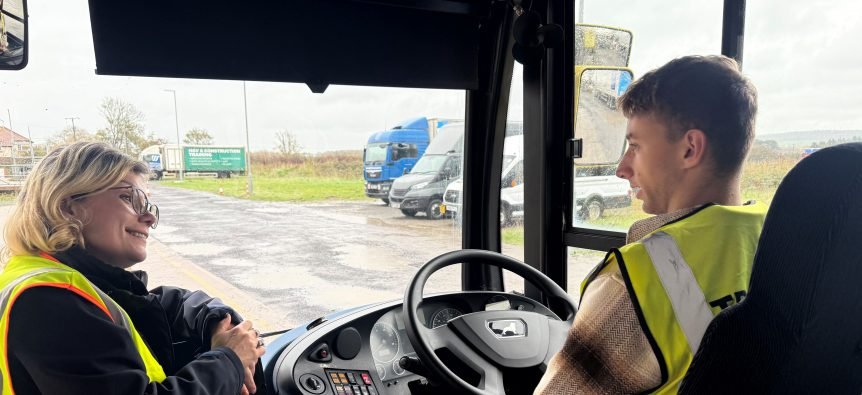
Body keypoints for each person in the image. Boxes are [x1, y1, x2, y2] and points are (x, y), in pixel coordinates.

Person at [535, 55, 766, 394]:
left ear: (690, 149)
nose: (622, 168)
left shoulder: (635, 280)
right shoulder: (778, 239)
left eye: (635, 146)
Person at [0, 142, 265, 394]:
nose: (149, 217)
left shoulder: (70, 282)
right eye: (129, 198)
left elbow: (158, 305)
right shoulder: (48, 302)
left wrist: (216, 323)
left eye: (148, 204)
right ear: (67, 207)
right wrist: (229, 360)